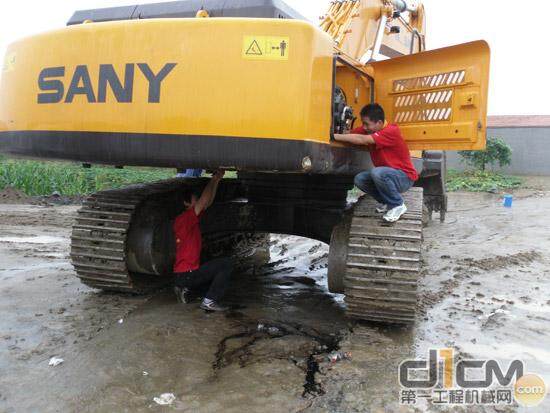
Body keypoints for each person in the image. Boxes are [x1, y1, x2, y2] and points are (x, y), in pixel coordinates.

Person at [334, 103, 419, 223]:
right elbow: (350, 134)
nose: (364, 127)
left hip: (404, 177)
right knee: (360, 179)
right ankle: (387, 201)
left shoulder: (391, 131)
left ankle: (397, 205)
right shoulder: (369, 130)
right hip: (388, 176)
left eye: (366, 124)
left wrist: (333, 136)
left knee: (377, 173)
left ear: (379, 123)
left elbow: (361, 139)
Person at [173, 170, 233, 312]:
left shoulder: (190, 218)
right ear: (186, 203)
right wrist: (214, 178)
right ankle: (209, 302)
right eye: (195, 199)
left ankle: (185, 289)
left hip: (185, 275)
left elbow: (208, 202)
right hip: (187, 274)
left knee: (211, 280)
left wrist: (217, 180)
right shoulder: (185, 219)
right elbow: (204, 201)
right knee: (226, 264)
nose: (198, 201)